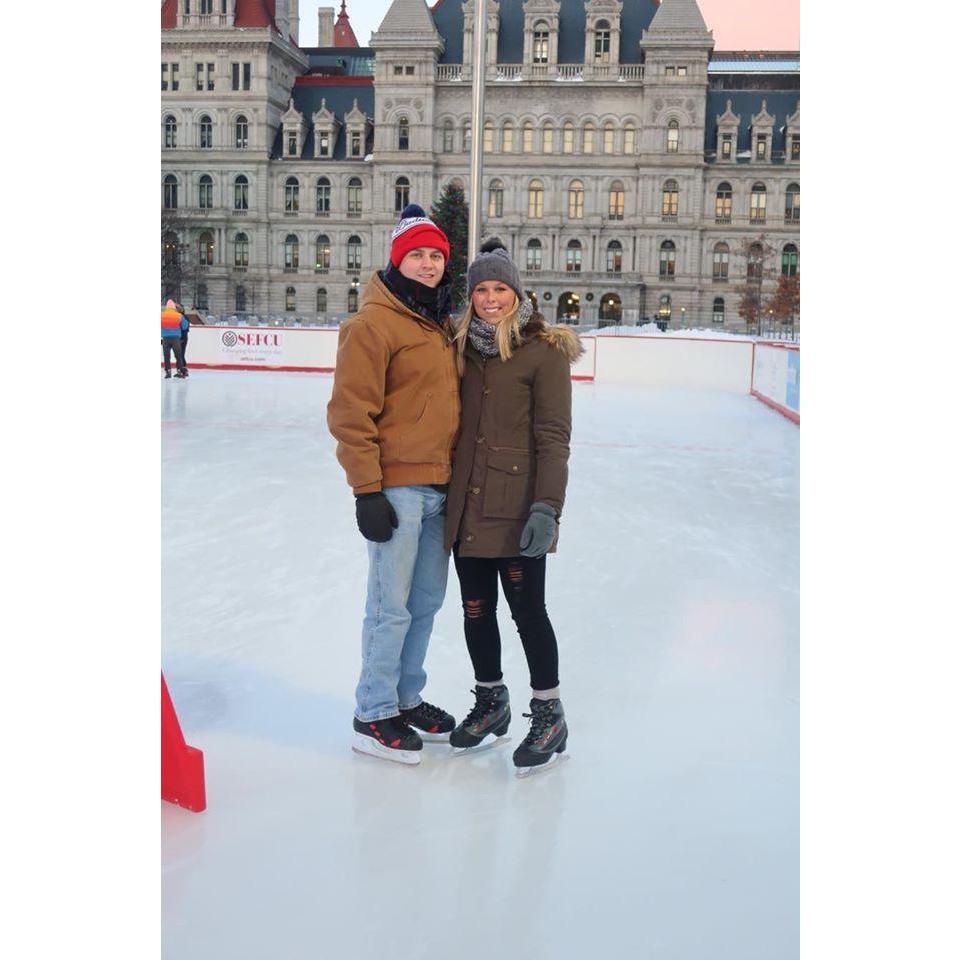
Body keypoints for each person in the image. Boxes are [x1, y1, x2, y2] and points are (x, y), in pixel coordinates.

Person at [327, 204, 460, 765]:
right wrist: (367, 491)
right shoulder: (372, 324)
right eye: (418, 255)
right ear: (398, 259)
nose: (428, 264)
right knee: (390, 606)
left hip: (441, 488)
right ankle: (373, 710)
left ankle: (405, 698)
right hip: (398, 490)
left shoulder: (437, 322)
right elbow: (350, 414)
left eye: (436, 255)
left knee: (426, 602)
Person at [444, 239, 583, 774]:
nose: (490, 298)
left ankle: (549, 711)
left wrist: (547, 507)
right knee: (475, 611)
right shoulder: (462, 347)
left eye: (500, 288)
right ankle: (492, 700)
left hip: (518, 506)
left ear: (516, 292)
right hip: (466, 504)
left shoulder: (542, 351)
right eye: (481, 289)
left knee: (528, 613)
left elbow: (554, 436)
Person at [161, 299, 188, 378]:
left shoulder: (161, 315)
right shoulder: (179, 315)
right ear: (174, 307)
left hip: (165, 338)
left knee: (166, 356)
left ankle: (168, 372)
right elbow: (185, 326)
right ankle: (179, 370)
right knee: (178, 356)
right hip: (176, 338)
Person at [176, 302, 190, 377]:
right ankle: (181, 370)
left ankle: (183, 370)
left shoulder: (183, 317)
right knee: (179, 355)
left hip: (182, 338)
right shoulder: (178, 316)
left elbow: (185, 329)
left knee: (180, 355)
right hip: (179, 337)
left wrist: (182, 338)